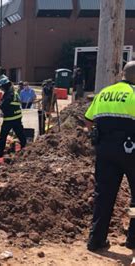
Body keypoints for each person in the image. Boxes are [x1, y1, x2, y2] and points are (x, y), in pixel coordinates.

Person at [85, 61, 135, 252]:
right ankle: (133, 239)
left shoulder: (105, 93)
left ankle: (96, 241)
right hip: (131, 151)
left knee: (103, 196)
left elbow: (89, 120)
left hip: (105, 151)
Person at [0, 76, 27, 158]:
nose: (1, 89)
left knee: (3, 136)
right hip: (17, 117)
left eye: (1, 87)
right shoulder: (15, 93)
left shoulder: (8, 94)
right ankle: (26, 150)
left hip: (10, 119)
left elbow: (4, 106)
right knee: (20, 134)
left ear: (4, 86)